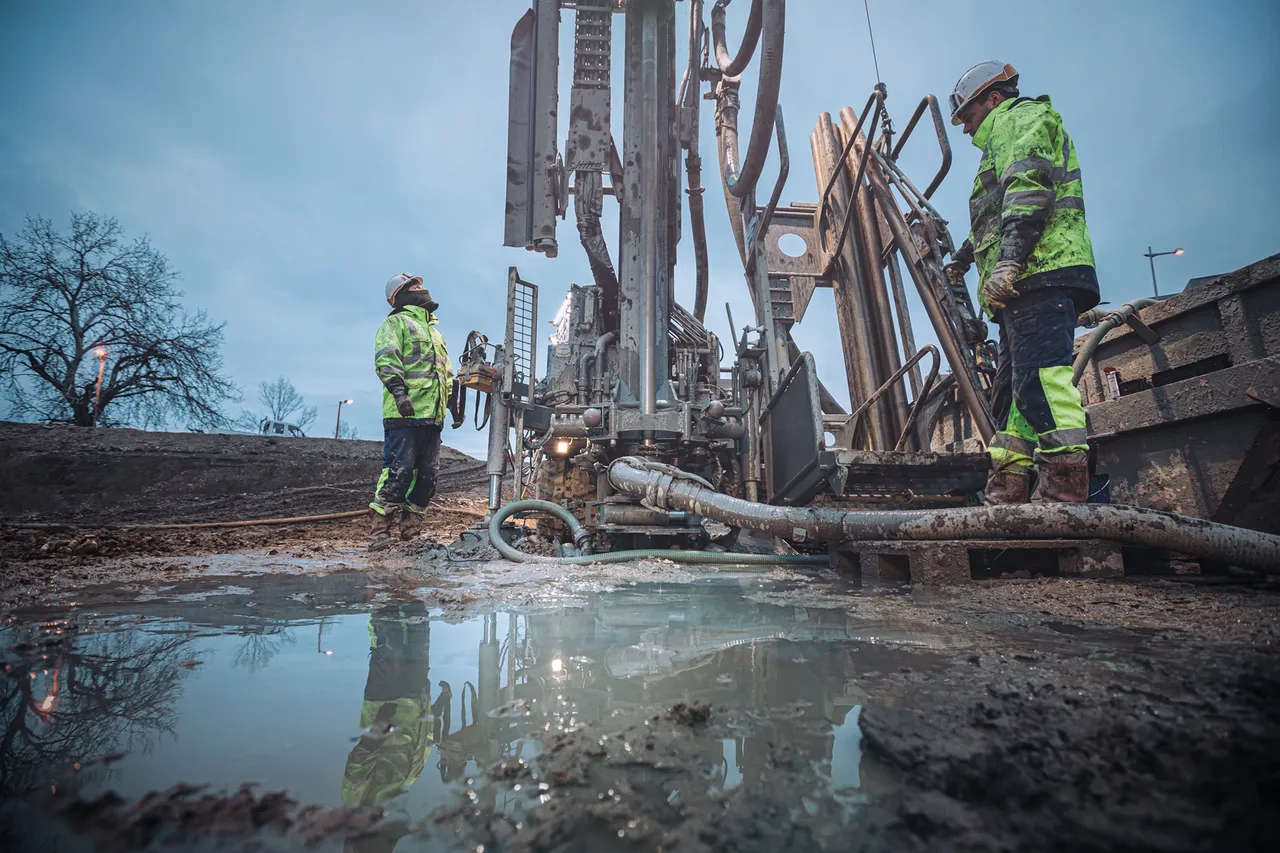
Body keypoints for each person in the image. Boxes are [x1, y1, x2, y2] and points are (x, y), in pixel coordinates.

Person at [944, 62, 1100, 504]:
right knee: (1013, 396)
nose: (965, 128)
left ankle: (1065, 491)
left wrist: (1009, 263)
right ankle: (1008, 488)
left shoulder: (1018, 119)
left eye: (967, 116)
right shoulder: (998, 139)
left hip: (1042, 271)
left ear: (993, 99)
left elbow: (1029, 191)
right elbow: (993, 219)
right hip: (1024, 282)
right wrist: (960, 260)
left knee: (1043, 382)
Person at [368, 273, 452, 551]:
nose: (421, 287)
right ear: (399, 295)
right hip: (404, 414)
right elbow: (386, 358)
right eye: (413, 285)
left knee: (427, 478)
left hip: (432, 416)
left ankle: (411, 531)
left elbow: (445, 374)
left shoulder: (435, 332)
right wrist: (399, 392)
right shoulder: (395, 323)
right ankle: (380, 531)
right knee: (398, 473)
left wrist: (451, 405)